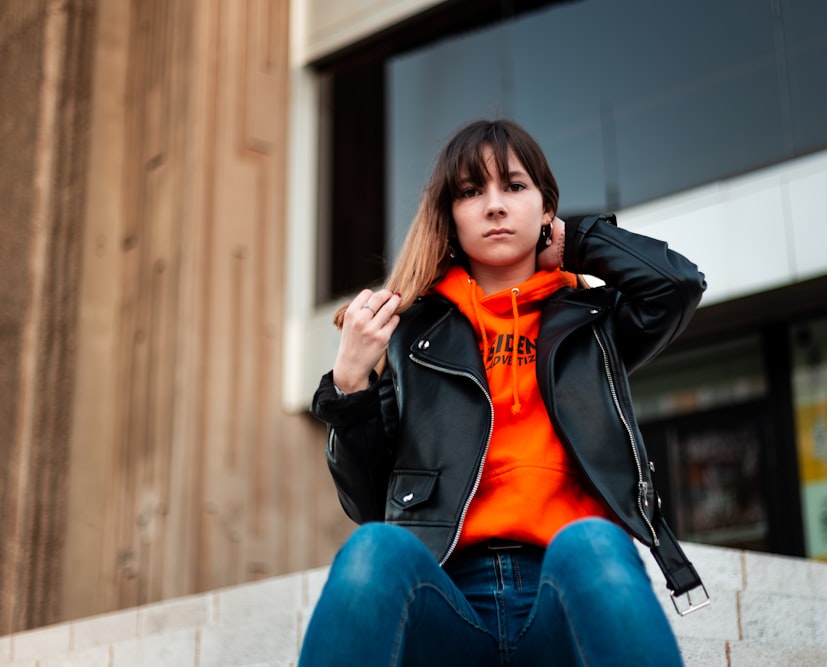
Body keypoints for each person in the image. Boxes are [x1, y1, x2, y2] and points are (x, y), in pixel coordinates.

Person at [299, 119, 707, 667]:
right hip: (447, 600)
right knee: (375, 549)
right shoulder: (410, 337)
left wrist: (575, 243)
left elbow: (676, 285)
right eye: (471, 191)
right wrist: (350, 383)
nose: (494, 206)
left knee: (592, 543)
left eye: (514, 187)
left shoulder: (593, 324)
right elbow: (370, 505)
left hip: (566, 592)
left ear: (545, 209)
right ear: (450, 218)